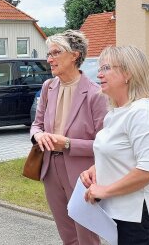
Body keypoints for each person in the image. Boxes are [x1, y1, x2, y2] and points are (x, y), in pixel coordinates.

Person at [30, 30, 108, 244]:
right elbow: (36, 125)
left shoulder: (95, 94)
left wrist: (68, 143)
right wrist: (39, 135)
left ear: (74, 55)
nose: (49, 59)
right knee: (66, 234)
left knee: (86, 235)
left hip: (82, 172)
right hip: (50, 169)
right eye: (49, 53)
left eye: (55, 53)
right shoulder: (48, 87)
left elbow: (105, 145)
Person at [81, 46, 149, 245]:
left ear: (128, 73)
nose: (99, 74)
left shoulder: (142, 112)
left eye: (106, 68)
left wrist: (104, 191)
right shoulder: (116, 113)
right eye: (100, 68)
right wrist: (96, 169)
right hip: (119, 214)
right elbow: (120, 153)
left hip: (139, 219)